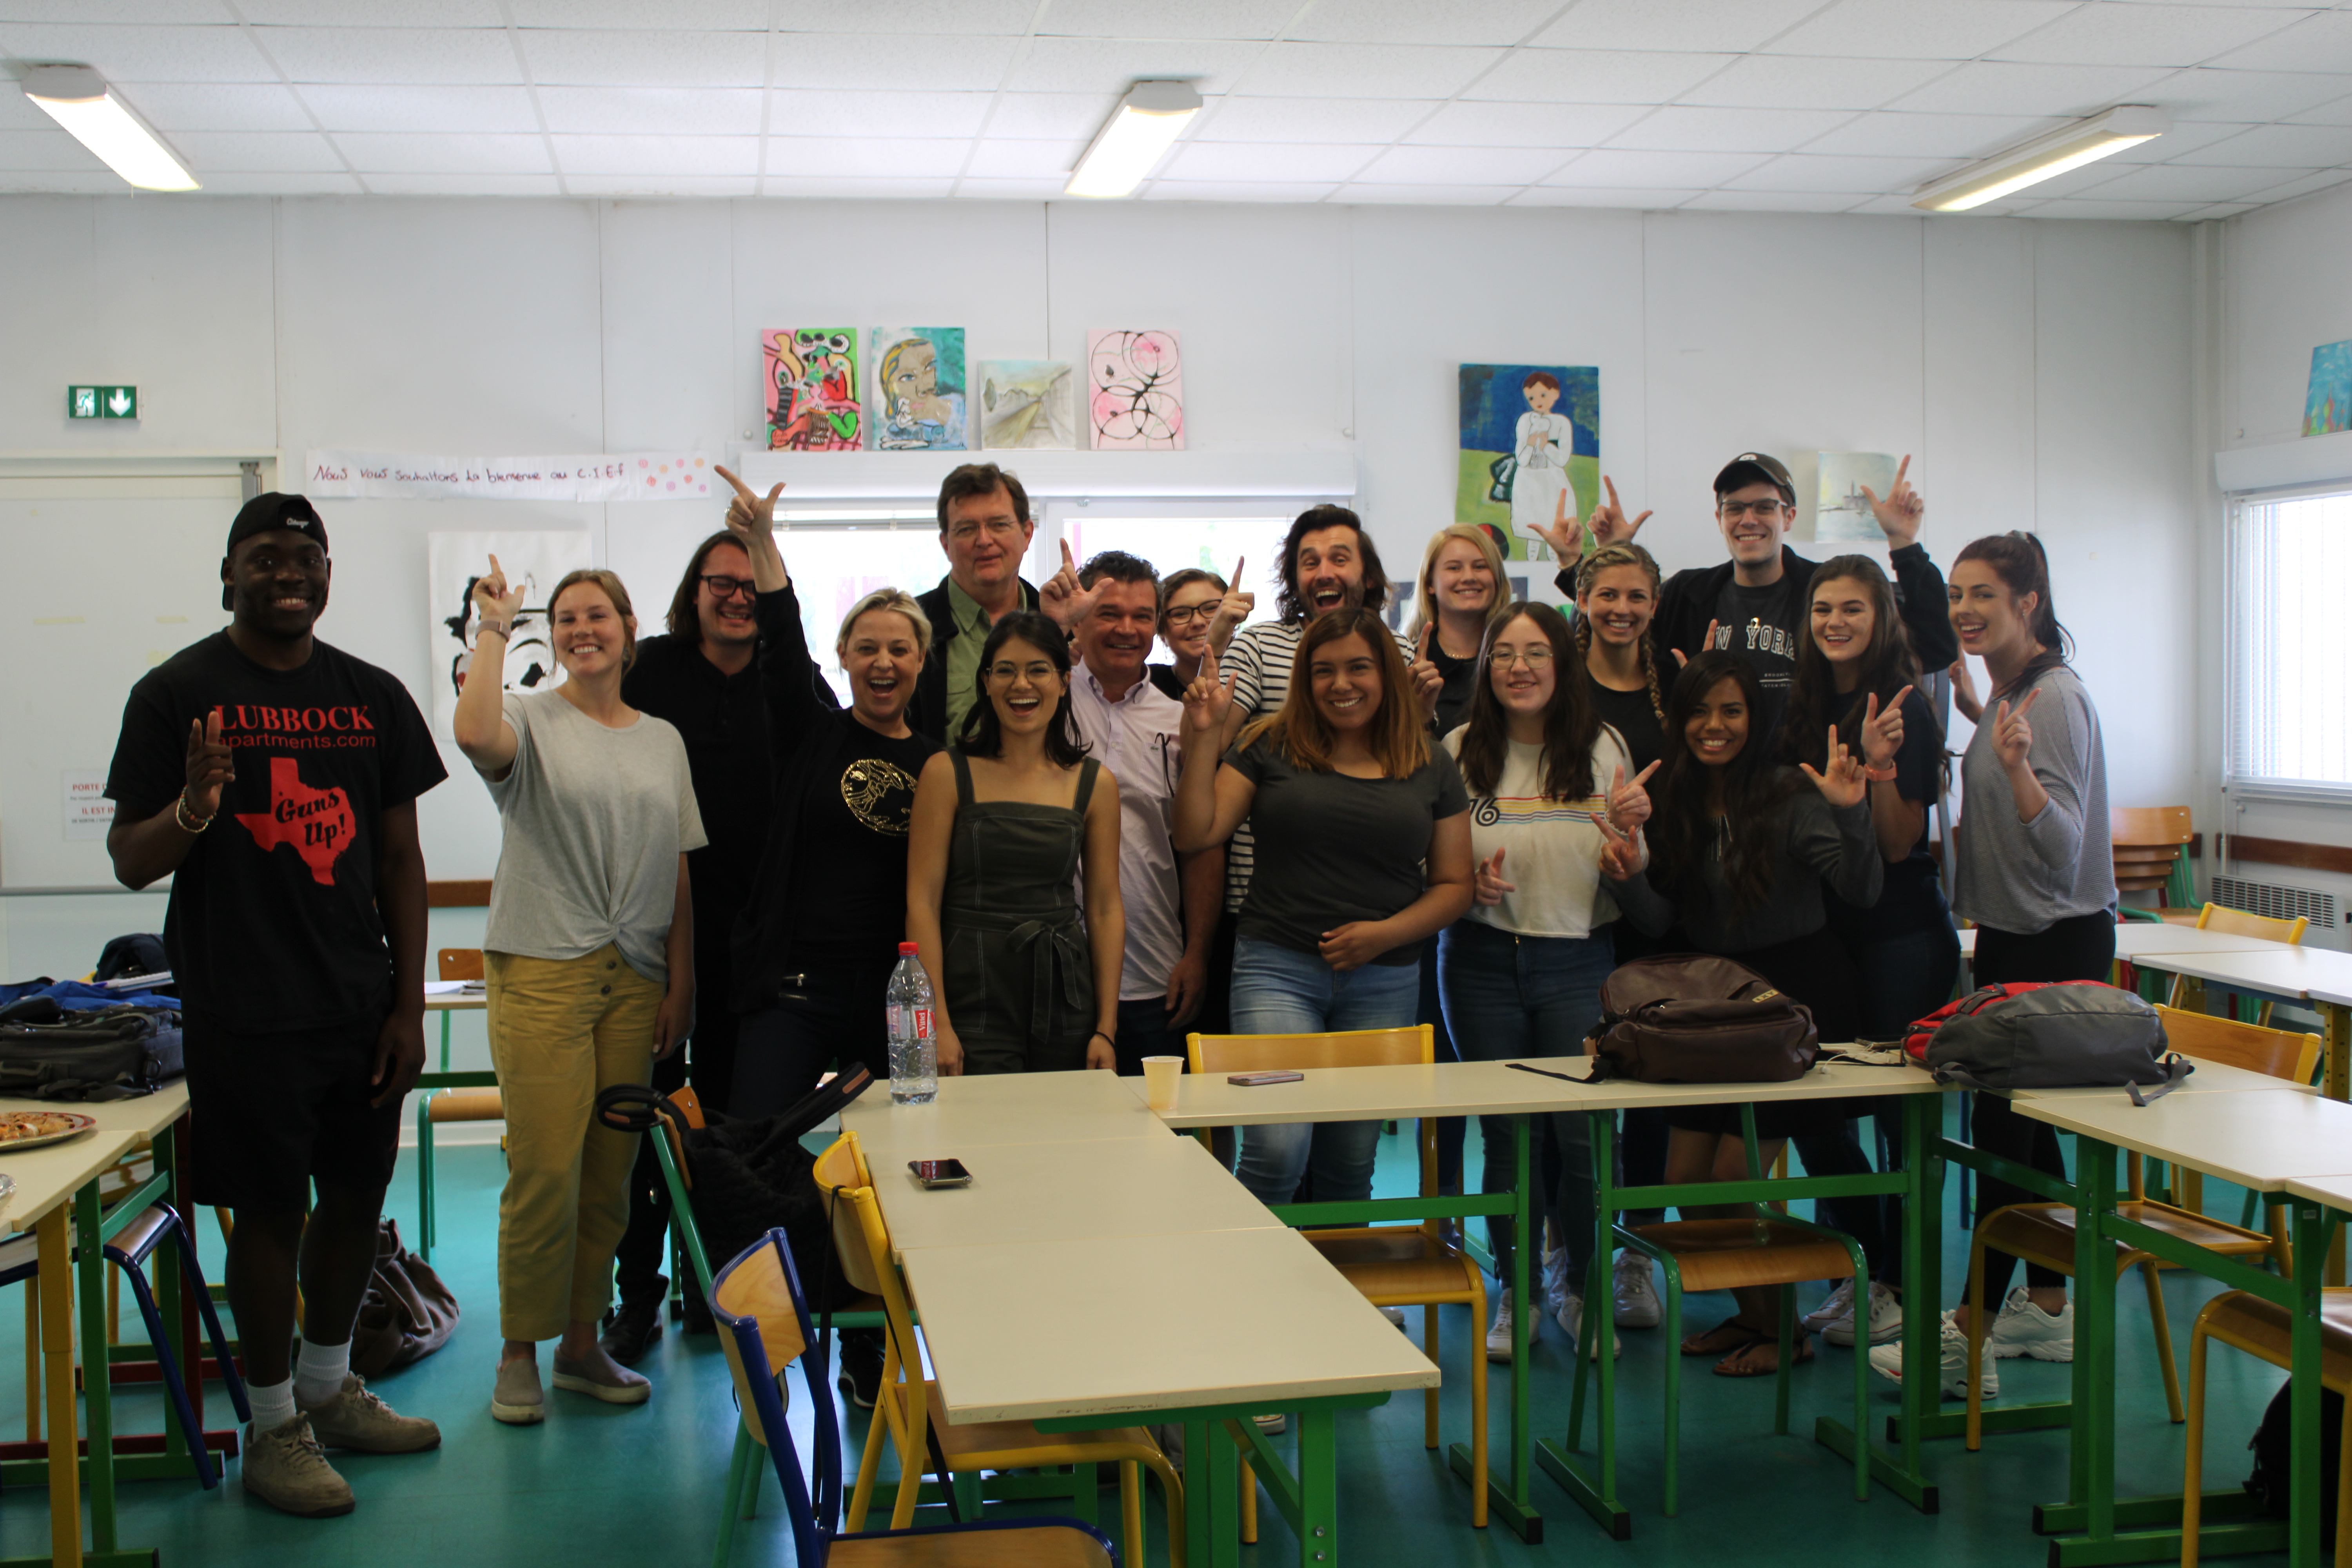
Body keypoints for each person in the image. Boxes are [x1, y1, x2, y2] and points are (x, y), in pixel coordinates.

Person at [104, 493, 445, 1517]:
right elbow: (130, 859)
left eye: (308, 555)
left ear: (329, 573)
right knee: (268, 1213)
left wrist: (408, 1005)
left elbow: (400, 858)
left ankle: (329, 1389)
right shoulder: (177, 693)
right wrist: (196, 808)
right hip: (242, 1008)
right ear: (229, 575)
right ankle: (271, 1427)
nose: (289, 571)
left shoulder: (374, 696)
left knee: (352, 1199)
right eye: (265, 557)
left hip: (358, 1006)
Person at [453, 560, 703, 1426]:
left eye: (597, 614)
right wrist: (495, 626)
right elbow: (472, 733)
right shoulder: (528, 717)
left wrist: (681, 978)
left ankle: (578, 1341)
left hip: (633, 977)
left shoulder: (662, 739)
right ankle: (518, 1349)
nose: (580, 628)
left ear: (630, 627)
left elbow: (676, 865)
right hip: (543, 967)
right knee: (546, 1167)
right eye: (563, 619)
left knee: (610, 1176)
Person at [1872, 531, 2113, 1401]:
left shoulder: (2051, 701)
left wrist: (2013, 771)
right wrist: (1984, 726)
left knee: (2007, 1144)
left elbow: (2064, 841)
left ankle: (1967, 1332)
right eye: (1959, 594)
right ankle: (2047, 1306)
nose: (1966, 609)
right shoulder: (2019, 691)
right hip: (2019, 937)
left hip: (2053, 941)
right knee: (2021, 1136)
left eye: (1985, 595)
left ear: (2029, 604)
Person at [1599, 652, 1882, 1376]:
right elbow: (1664, 920)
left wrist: (1853, 815)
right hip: (1718, 1009)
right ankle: (1755, 1317)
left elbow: (1862, 890)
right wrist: (1630, 873)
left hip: (1790, 1008)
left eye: (1731, 711)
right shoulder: (1682, 799)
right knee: (1684, 1185)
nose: (1713, 727)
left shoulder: (1788, 792)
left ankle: (1785, 1334)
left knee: (1734, 1178)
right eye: (1699, 712)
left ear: (1755, 719)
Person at [601, 467, 818, 1364]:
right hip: (651, 929)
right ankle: (639, 1287)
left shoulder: (789, 682)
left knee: (728, 1125)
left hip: (756, 945)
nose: (734, 597)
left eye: (748, 584)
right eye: (717, 583)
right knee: (646, 1120)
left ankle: (715, 1282)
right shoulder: (647, 670)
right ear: (691, 597)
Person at [1175, 607, 1474, 1210]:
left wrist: (1383, 937)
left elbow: (1454, 885)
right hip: (1276, 969)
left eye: (1359, 668)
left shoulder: (1430, 760)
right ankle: (1253, 1296)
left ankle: (1344, 1292)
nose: (1342, 684)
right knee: (1278, 1148)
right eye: (1324, 671)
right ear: (1304, 681)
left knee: (1351, 1155)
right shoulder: (1267, 745)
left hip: (1385, 978)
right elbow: (1196, 833)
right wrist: (1204, 736)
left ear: (1387, 674)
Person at [1435, 603, 1655, 1363]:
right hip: (1479, 960)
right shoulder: (1459, 749)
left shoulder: (1602, 747)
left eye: (1536, 652)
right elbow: (1433, 867)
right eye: (1504, 654)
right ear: (1486, 667)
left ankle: (1584, 1289)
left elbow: (1631, 857)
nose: (1519, 667)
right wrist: (1467, 885)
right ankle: (1518, 1291)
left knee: (1584, 1139)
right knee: (1507, 1136)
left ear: (1562, 665)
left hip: (1577, 959)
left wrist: (1633, 859)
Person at [1779, 555, 1958, 1352]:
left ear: (1882, 616)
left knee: (1897, 1125)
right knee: (1820, 1108)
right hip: (1832, 935)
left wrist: (1880, 765)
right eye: (1823, 608)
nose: (1835, 621)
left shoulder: (1905, 704)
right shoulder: (1811, 699)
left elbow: (1894, 842)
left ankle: (1899, 1286)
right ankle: (1867, 1267)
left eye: (1853, 607)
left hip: (1899, 935)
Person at [1545, 455, 1958, 737]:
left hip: (1806, 787)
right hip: (1709, 785)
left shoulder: (1828, 593)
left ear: (1789, 516)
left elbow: (1935, 648)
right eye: (1734, 508)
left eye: (1764, 507)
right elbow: (1615, 626)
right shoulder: (1687, 594)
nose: (1748, 520)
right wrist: (1609, 558)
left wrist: (1904, 546)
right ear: (1719, 519)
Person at [906, 612, 1123, 1076]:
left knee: (1062, 1143)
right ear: (986, 682)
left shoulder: (1097, 784)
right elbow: (921, 902)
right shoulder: (946, 773)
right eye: (1005, 670)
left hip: (1066, 997)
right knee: (979, 1144)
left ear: (1065, 682)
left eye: (1038, 669)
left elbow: (1105, 907)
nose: (1021, 684)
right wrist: (935, 1022)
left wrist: (1106, 1026)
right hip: (971, 998)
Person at [1066, 552, 1221, 1073]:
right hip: (1054, 974)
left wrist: (1197, 952)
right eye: (1109, 613)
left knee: (1155, 1143)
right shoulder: (1041, 703)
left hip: (1153, 972)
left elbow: (1200, 846)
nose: (1126, 629)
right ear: (1080, 616)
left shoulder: (1182, 720)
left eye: (1142, 616)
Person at [908, 463, 1093, 742]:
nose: (984, 540)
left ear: (1027, 534)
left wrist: (1057, 633)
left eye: (999, 525)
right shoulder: (910, 627)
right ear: (946, 544)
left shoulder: (1059, 623)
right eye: (967, 529)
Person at [1406, 523, 1513, 737]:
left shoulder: (1518, 660)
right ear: (1430, 584)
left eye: (1481, 567)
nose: (1469, 577)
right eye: (1454, 568)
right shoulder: (1409, 666)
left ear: (1497, 579)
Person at [1149, 564, 1240, 702]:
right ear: (1161, 631)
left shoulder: (1256, 675)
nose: (1198, 622)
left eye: (1210, 608)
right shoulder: (1144, 684)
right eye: (1180, 614)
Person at [1510, 372, 1575, 562]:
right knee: (1533, 529)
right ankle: (1532, 564)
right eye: (1531, 398)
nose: (1537, 401)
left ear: (1555, 394)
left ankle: (1554, 569)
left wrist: (1546, 445)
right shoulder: (1525, 421)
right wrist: (1531, 444)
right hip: (1528, 481)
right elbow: (1521, 459)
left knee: (1552, 527)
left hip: (1551, 482)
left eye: (1543, 395)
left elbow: (1562, 459)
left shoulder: (1562, 423)